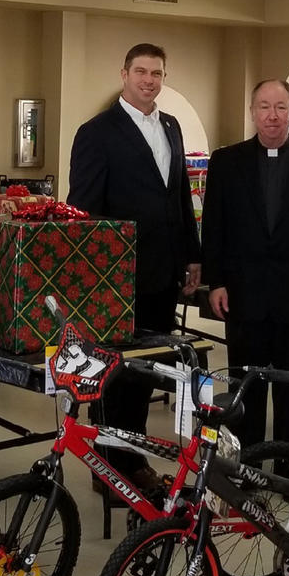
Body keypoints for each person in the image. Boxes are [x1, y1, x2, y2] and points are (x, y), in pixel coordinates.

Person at [67, 43, 201, 491]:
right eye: (141, 71)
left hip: (164, 275)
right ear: (123, 73)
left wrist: (192, 257)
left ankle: (131, 460)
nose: (149, 80)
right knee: (116, 374)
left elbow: (180, 197)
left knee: (146, 373)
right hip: (117, 278)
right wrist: (94, 274)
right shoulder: (97, 131)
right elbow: (82, 212)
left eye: (157, 73)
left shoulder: (171, 126)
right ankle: (110, 466)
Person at [201, 79, 289, 450]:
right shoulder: (225, 163)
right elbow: (214, 226)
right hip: (243, 298)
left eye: (281, 107)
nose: (272, 116)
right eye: (264, 107)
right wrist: (216, 281)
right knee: (244, 390)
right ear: (252, 112)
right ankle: (244, 463)